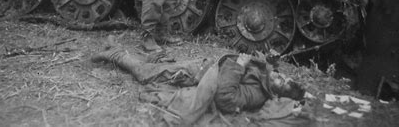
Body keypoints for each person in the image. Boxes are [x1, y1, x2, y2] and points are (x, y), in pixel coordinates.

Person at [91, 47, 306, 125]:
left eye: (282, 82)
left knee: (146, 74)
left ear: (276, 92)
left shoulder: (257, 95)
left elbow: (226, 99)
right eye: (283, 76)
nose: (280, 76)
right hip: (205, 68)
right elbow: (262, 65)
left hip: (201, 77)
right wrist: (270, 60)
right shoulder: (268, 74)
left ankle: (115, 54)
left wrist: (239, 66)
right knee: (158, 68)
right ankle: (117, 49)